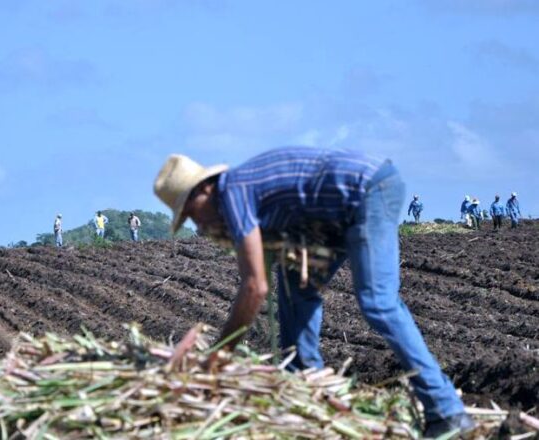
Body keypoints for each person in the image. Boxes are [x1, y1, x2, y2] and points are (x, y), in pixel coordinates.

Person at [154, 148, 473, 437]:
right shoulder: (238, 190)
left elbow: (254, 286)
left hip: (367, 192)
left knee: (379, 302)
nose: (196, 222)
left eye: (190, 211)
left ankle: (446, 411)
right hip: (328, 220)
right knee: (295, 290)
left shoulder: (232, 193)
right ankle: (306, 393)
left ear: (205, 189)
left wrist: (220, 354)